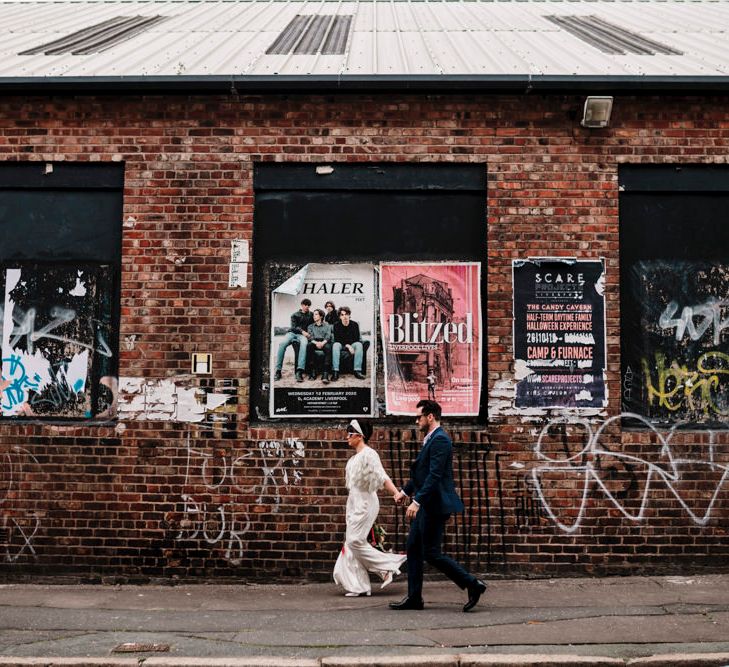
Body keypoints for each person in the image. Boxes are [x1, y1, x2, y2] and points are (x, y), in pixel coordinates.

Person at [390, 399, 486, 612]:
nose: (417, 421)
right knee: (414, 548)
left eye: (419, 417)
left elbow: (434, 476)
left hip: (435, 505)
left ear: (430, 416)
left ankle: (472, 584)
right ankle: (414, 598)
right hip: (427, 504)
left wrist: (416, 501)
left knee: (431, 553)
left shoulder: (441, 439)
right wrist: (405, 492)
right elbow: (422, 474)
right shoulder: (430, 439)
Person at [333, 419, 407, 597]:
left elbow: (382, 476)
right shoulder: (352, 460)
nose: (347, 437)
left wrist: (396, 493)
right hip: (354, 503)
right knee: (351, 545)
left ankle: (387, 566)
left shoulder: (369, 454)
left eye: (350, 433)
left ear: (360, 436)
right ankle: (359, 586)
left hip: (366, 504)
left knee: (354, 541)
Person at [274, 298, 313, 383]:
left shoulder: (311, 315)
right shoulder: (294, 315)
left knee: (304, 345)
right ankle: (278, 371)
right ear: (302, 305)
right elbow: (294, 327)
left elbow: (313, 324)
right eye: (305, 305)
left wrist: (308, 333)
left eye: (308, 305)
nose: (307, 307)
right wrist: (303, 331)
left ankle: (299, 371)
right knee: (282, 344)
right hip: (292, 333)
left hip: (302, 336)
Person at [331, 306, 364, 381]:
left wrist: (350, 345)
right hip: (341, 345)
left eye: (346, 314)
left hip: (352, 344)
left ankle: (357, 371)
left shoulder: (354, 324)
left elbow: (356, 338)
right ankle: (335, 371)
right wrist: (348, 346)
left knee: (359, 345)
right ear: (340, 317)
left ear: (349, 315)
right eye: (342, 315)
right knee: (335, 345)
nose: (344, 316)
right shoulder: (336, 325)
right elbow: (337, 339)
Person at [306, 308, 333, 383]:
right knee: (309, 346)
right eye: (313, 315)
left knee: (328, 347)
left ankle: (325, 373)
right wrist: (316, 343)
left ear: (321, 316)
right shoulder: (310, 326)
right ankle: (313, 371)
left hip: (324, 341)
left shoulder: (327, 325)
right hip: (314, 342)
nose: (314, 316)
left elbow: (328, 336)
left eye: (316, 314)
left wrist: (322, 343)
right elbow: (310, 337)